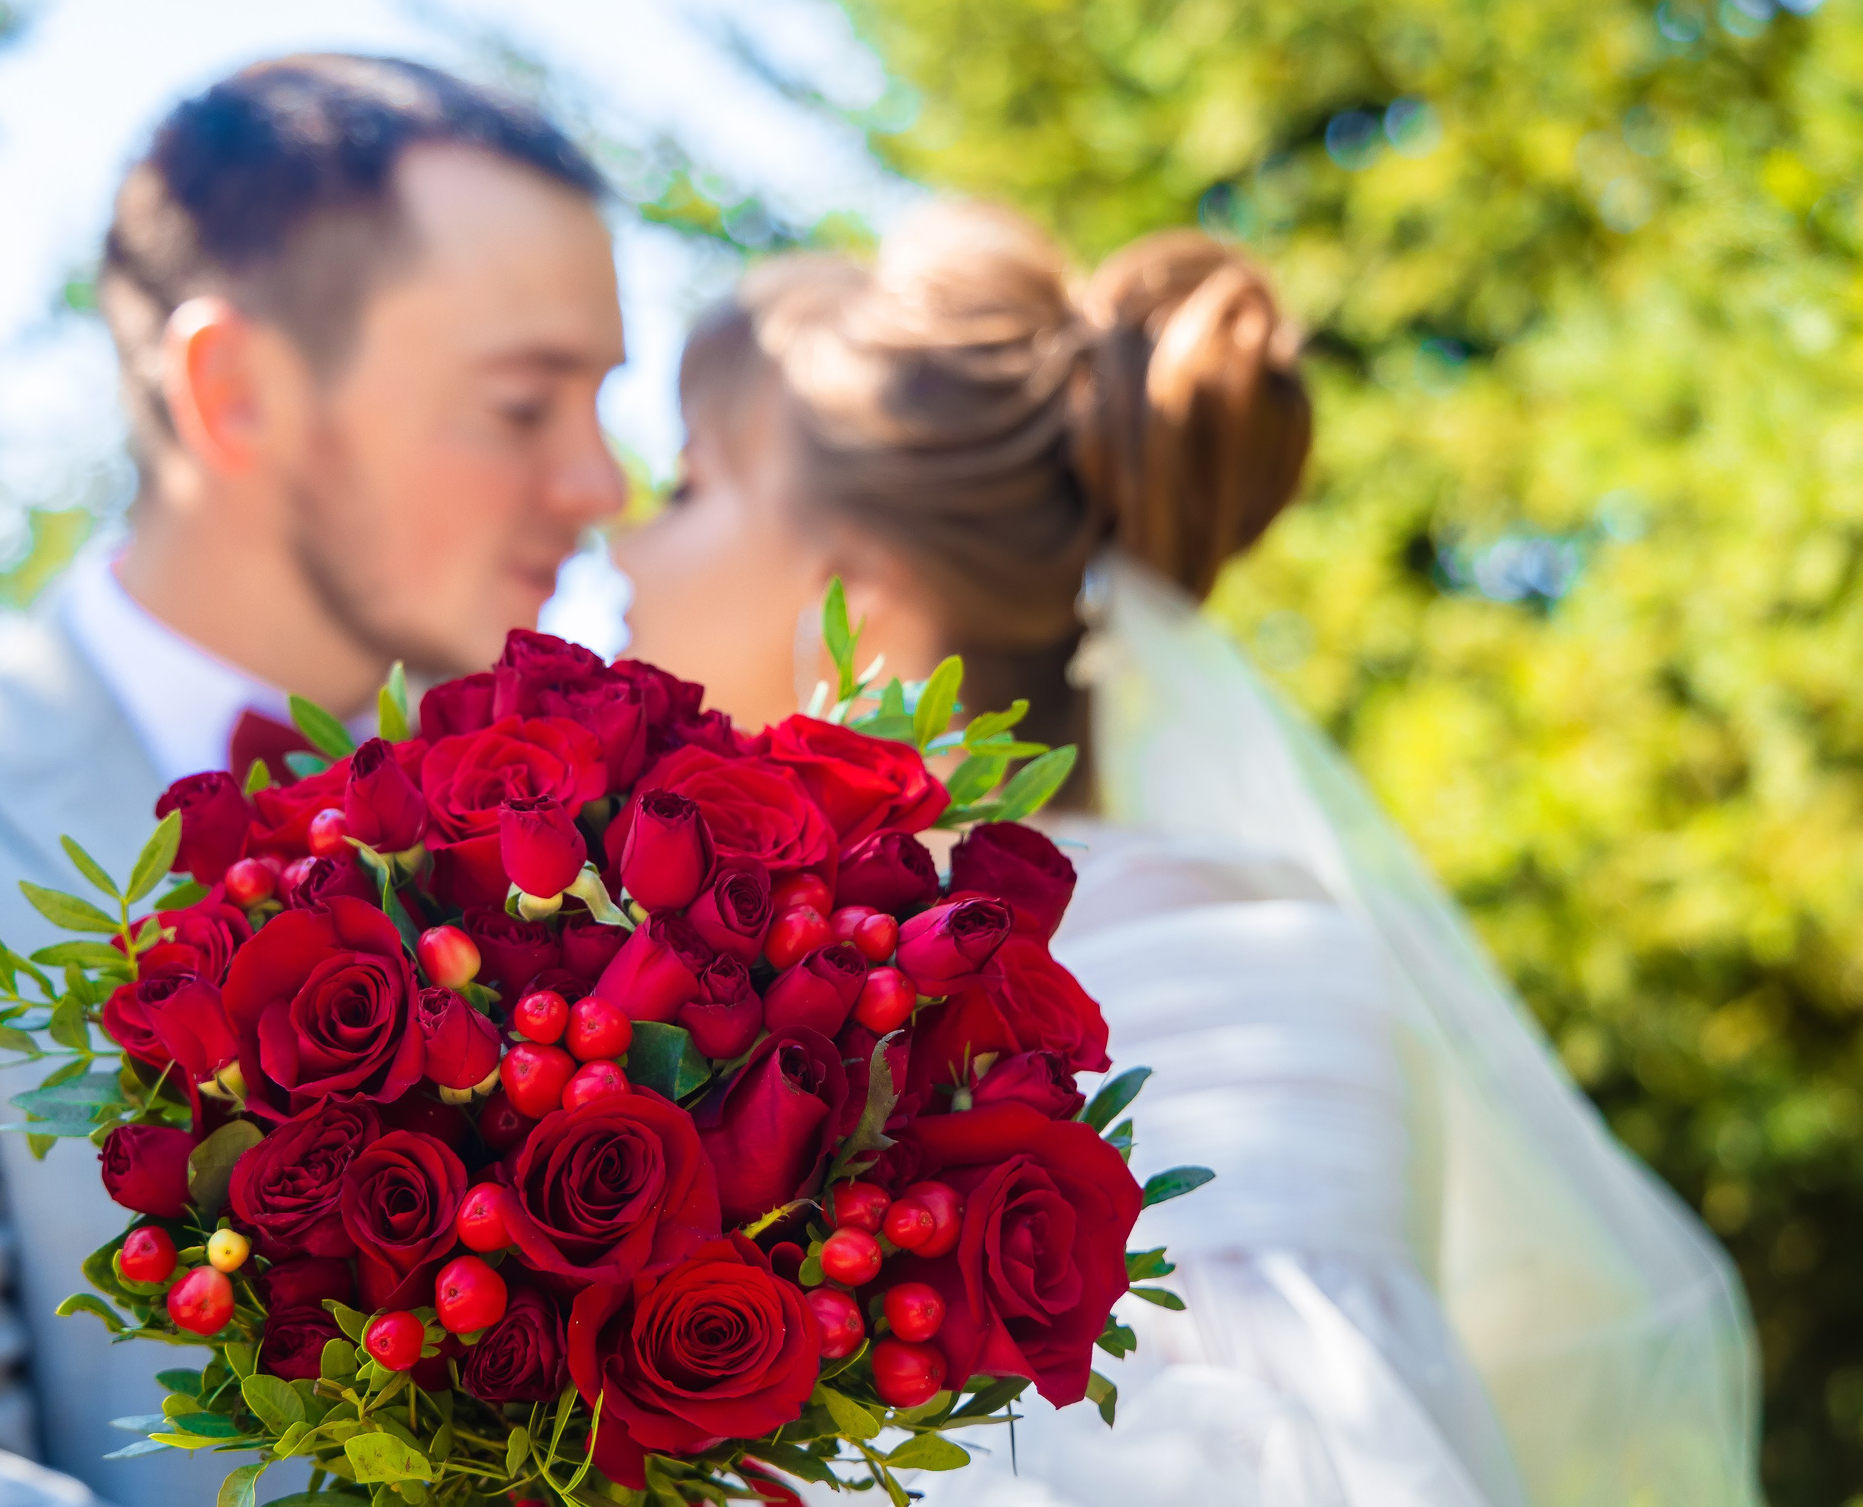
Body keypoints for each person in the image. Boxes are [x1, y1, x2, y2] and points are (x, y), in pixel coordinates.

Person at [615, 203, 1762, 1507]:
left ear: (854, 606)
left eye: (687, 484)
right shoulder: (666, 965)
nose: (620, 541)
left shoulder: (1222, 963)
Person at [0, 55, 628, 1507]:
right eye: (524, 405)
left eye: (603, 400)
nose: (602, 484)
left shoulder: (613, 842)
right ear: (236, 392)